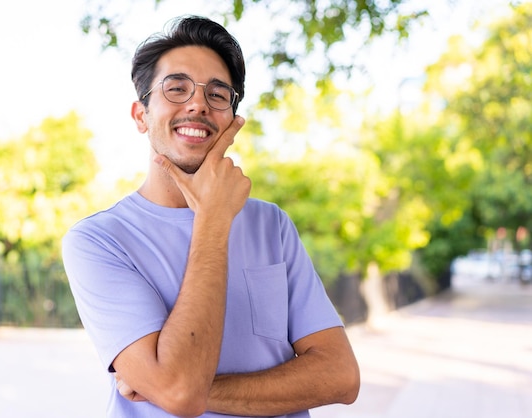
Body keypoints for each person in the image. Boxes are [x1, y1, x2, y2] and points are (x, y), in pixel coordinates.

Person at [62, 15, 360, 418]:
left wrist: (173, 388)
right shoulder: (98, 241)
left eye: (218, 94)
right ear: (140, 115)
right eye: (176, 88)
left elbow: (340, 377)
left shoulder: (271, 225)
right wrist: (214, 219)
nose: (198, 103)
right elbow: (180, 393)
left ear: (231, 120)